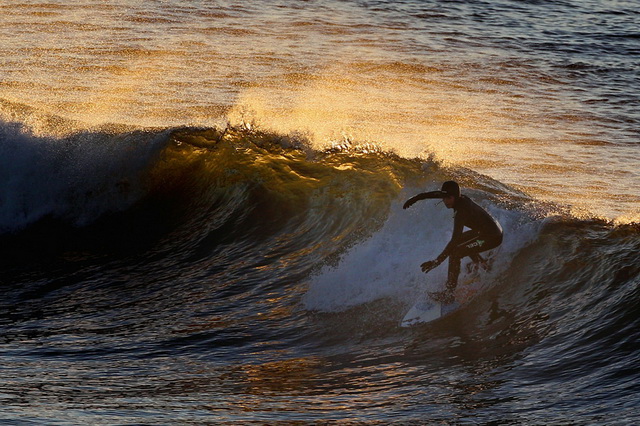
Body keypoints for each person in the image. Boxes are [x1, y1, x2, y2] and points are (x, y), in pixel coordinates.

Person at [403, 181, 503, 304]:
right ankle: (481, 263)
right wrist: (415, 198)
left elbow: (454, 240)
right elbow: (434, 194)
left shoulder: (462, 211)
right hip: (483, 231)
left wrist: (437, 261)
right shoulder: (455, 197)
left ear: (454, 197)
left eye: (448, 198)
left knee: (456, 252)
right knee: (460, 242)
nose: (445, 201)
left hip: (492, 236)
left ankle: (449, 293)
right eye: (444, 198)